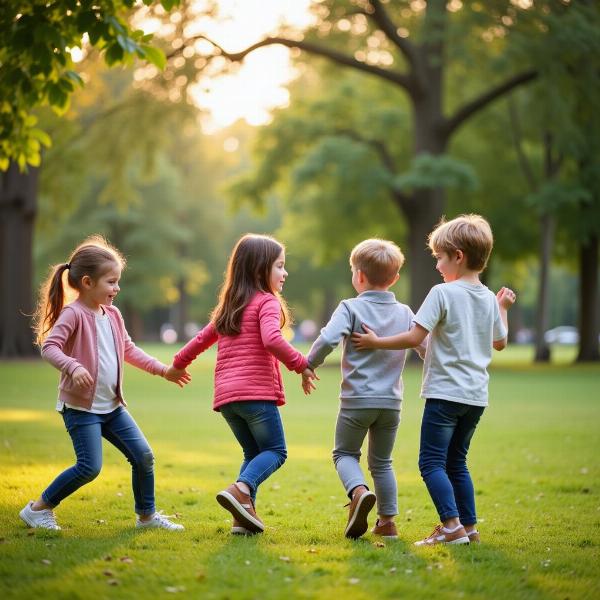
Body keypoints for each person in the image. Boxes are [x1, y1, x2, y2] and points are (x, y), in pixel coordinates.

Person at [353, 215, 516, 545]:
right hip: (475, 397)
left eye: (440, 257)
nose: (438, 265)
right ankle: (469, 529)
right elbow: (500, 343)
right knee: (458, 462)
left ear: (458, 256)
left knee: (430, 463)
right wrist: (502, 308)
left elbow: (415, 337)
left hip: (445, 394)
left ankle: (451, 526)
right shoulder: (487, 298)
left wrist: (375, 342)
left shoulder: (442, 293)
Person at [20, 235, 189, 532]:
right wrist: (72, 367)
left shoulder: (112, 315)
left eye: (117, 281)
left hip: (111, 406)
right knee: (89, 467)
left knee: (144, 456)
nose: (117, 288)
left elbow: (129, 350)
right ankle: (38, 508)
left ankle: (146, 517)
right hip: (81, 409)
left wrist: (164, 370)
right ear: (87, 282)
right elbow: (50, 347)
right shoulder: (74, 314)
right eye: (111, 282)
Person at [169, 234, 315, 535]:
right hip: (256, 396)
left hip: (228, 400)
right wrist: (301, 364)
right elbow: (272, 339)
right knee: (276, 451)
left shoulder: (229, 307)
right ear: (260, 269)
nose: (284, 273)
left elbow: (199, 340)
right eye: (279, 266)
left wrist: (177, 364)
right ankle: (240, 489)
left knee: (252, 454)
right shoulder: (267, 303)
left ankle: (242, 521)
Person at [303, 239, 426, 540]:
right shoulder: (406, 312)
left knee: (344, 453)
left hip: (357, 401)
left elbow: (328, 339)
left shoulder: (350, 307)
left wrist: (309, 364)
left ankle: (358, 493)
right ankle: (387, 523)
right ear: (395, 278)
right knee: (382, 462)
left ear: (358, 275)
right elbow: (425, 347)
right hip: (391, 403)